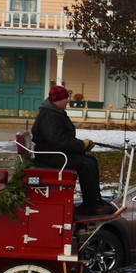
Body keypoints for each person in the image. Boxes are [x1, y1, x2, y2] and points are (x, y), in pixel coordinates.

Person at [30, 85, 108, 216]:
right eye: (66, 98)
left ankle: (94, 201)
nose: (68, 101)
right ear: (58, 100)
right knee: (85, 164)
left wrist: (81, 145)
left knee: (91, 161)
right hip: (49, 157)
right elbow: (58, 141)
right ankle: (92, 206)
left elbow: (62, 139)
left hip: (54, 153)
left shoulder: (54, 113)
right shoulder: (49, 116)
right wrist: (81, 145)